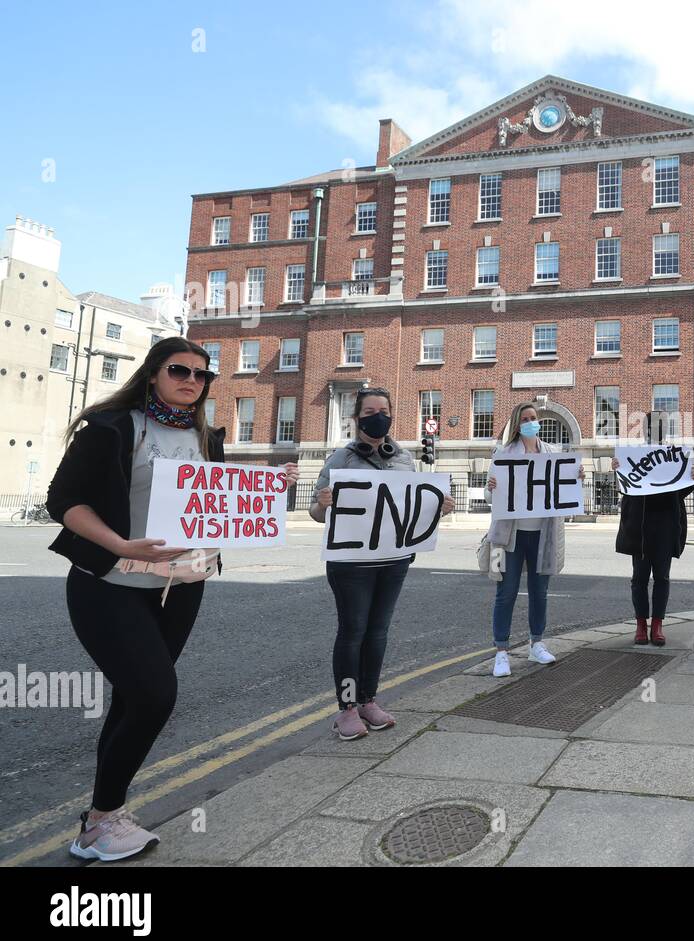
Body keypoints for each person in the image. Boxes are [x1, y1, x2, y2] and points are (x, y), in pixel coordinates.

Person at [48, 338, 298, 861]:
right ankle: (100, 821)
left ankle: (103, 815)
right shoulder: (115, 428)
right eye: (179, 370)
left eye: (201, 375)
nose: (191, 380)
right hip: (110, 586)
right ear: (154, 373)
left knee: (133, 698)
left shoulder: (205, 437)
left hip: (180, 588)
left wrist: (267, 490)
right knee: (155, 694)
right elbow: (64, 500)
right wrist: (118, 543)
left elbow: (215, 503)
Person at [311, 387, 453, 740]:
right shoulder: (339, 460)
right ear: (357, 417)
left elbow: (413, 508)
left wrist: (440, 507)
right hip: (350, 564)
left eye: (384, 409)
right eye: (370, 410)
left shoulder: (404, 458)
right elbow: (315, 513)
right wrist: (323, 504)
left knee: (378, 631)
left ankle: (368, 701)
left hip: (394, 560)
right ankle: (346, 709)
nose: (378, 415)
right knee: (352, 631)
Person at [482, 403, 583, 677]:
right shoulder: (503, 454)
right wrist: (490, 488)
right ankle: (501, 652)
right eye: (525, 419)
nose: (531, 422)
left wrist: (576, 478)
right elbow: (491, 497)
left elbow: (564, 487)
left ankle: (536, 643)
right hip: (510, 537)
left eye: (534, 418)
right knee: (506, 593)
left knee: (540, 593)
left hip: (542, 535)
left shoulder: (552, 453)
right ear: (517, 423)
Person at [613, 455, 694, 646]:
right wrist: (618, 471)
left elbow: (680, 492)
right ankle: (641, 624)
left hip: (665, 527)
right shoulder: (636, 455)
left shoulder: (672, 456)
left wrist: (690, 479)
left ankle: (658, 624)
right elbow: (624, 488)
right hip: (640, 528)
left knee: (662, 578)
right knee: (639, 579)